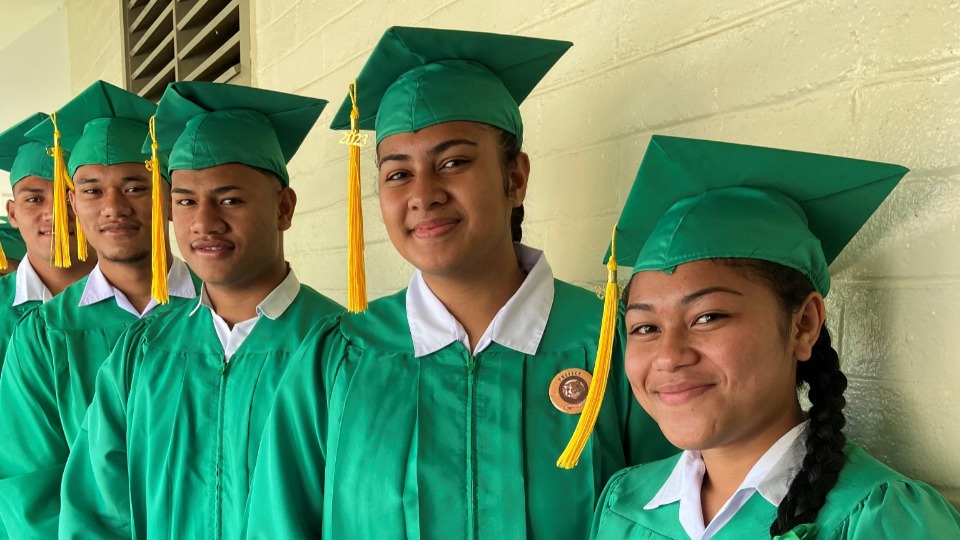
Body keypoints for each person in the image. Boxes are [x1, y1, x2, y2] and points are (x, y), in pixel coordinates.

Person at [244, 27, 674, 539]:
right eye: (398, 173)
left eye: (453, 162)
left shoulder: (612, 344)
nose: (423, 194)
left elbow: (672, 518)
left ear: (514, 178)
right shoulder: (336, 361)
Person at [589, 135, 960, 539]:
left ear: (804, 324)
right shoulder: (624, 503)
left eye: (707, 317)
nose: (668, 356)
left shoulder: (881, 518)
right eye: (646, 327)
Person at [58, 81, 344, 539]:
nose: (204, 222)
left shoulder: (343, 349)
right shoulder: (142, 350)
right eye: (186, 201)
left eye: (230, 199)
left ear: (283, 208)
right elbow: (97, 511)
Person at [0, 81, 198, 538]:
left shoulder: (233, 312)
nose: (113, 207)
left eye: (135, 186)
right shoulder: (43, 336)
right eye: (91, 190)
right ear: (74, 202)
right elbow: (31, 494)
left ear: (169, 195)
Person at [0, 113, 97, 361]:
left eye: (69, 197)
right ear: (12, 213)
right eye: (34, 199)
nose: (56, 215)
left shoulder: (141, 296)